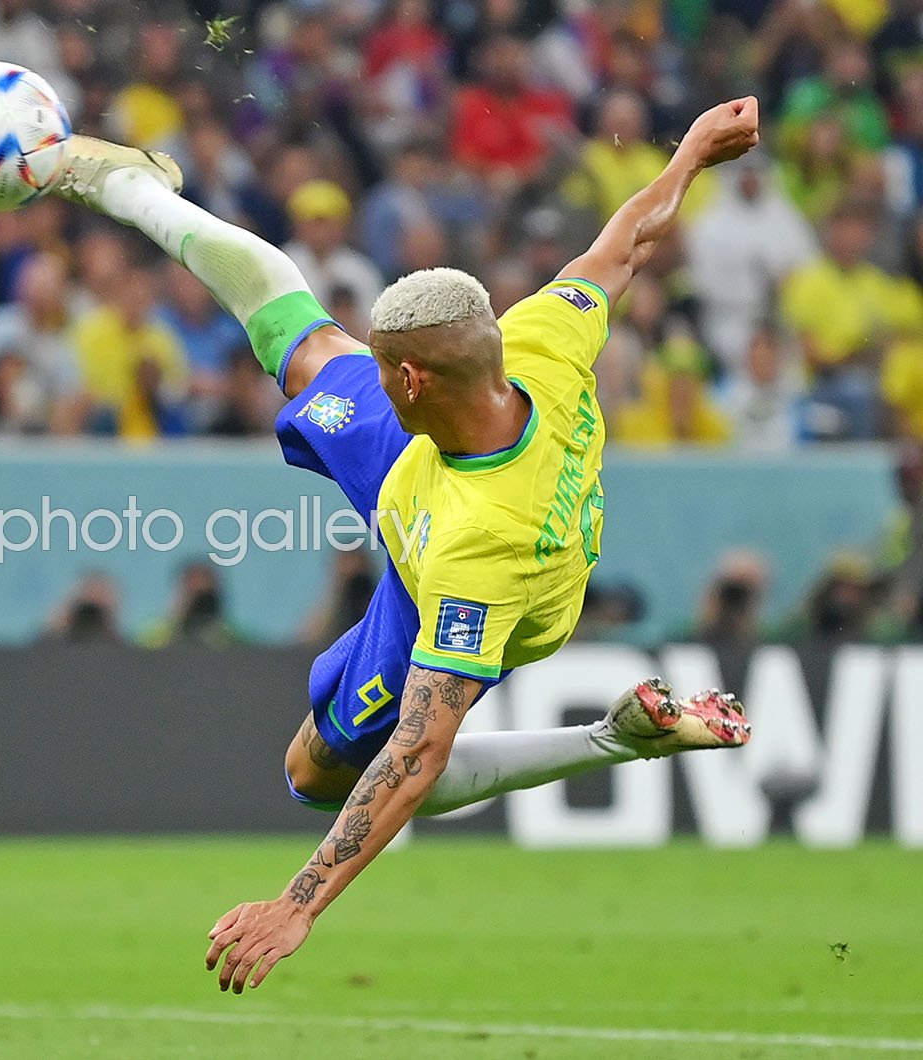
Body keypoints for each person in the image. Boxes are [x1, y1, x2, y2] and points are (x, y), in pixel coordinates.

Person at [46, 97, 760, 991]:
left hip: (461, 564)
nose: (371, 372)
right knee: (299, 338)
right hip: (433, 462)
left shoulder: (476, 560)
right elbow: (626, 245)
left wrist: (297, 902)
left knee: (314, 771)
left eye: (383, 365)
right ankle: (134, 188)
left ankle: (611, 739)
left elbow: (419, 756)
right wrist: (690, 153)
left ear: (411, 378)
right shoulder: (541, 341)